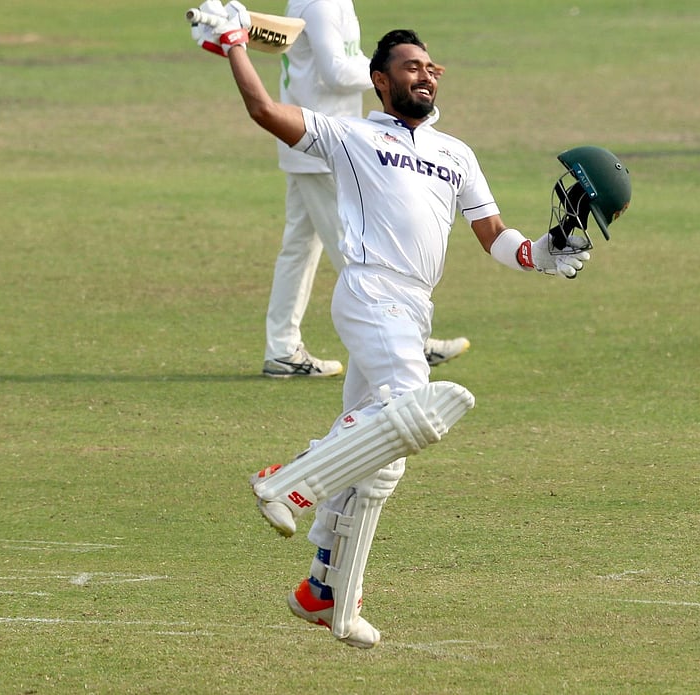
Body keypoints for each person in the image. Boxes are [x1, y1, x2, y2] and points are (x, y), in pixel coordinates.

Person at [190, 1, 629, 648]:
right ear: (381, 80)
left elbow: (494, 237)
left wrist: (544, 252)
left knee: (384, 464)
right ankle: (285, 483)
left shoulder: (457, 154)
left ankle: (325, 592)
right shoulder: (352, 136)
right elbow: (265, 112)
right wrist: (233, 44)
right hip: (370, 291)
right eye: (409, 67)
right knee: (411, 407)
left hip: (414, 304)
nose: (424, 76)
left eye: (430, 67)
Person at [260, 0, 470, 378]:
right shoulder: (321, 5)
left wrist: (402, 70)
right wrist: (393, 72)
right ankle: (409, 343)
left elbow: (343, 58)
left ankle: (282, 348)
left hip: (320, 144)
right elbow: (337, 71)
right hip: (328, 146)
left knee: (298, 249)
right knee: (358, 250)